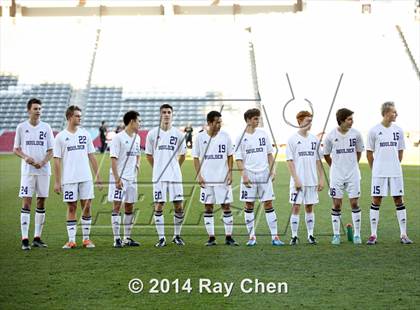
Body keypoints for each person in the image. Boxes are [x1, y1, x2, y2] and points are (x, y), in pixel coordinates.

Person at [53, 105, 102, 249]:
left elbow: (91, 156)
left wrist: (98, 176)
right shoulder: (60, 137)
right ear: (69, 117)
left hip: (85, 177)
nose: (80, 118)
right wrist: (57, 182)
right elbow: (56, 160)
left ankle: (86, 239)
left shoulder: (85, 134)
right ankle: (71, 240)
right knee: (72, 207)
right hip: (69, 179)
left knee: (87, 206)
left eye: (80, 115)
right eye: (77, 116)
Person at [235, 108, 284, 246]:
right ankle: (251, 237)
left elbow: (270, 154)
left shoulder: (263, 134)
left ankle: (275, 237)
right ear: (249, 120)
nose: (258, 121)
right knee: (249, 204)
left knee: (268, 203)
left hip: (264, 174)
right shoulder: (240, 137)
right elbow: (238, 158)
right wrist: (244, 175)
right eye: (256, 118)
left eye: (258, 118)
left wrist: (273, 170)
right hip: (249, 174)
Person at [366, 102, 412, 245]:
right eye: (394, 112)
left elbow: (400, 153)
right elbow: (369, 154)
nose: (396, 114)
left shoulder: (398, 130)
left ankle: (403, 234)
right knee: (376, 200)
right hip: (379, 173)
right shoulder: (374, 131)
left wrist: (393, 166)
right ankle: (373, 235)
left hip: (395, 172)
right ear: (386, 113)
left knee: (399, 200)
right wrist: (376, 169)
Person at [13, 98, 54, 250]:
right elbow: (16, 149)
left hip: (43, 171)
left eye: (40, 109)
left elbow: (51, 150)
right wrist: (26, 158)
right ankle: (24, 239)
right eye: (35, 109)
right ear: (29, 110)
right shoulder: (21, 127)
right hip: (28, 172)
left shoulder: (46, 127)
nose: (38, 111)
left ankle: (37, 238)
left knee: (41, 202)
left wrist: (43, 162)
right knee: (26, 202)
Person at [192, 111, 238, 246]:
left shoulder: (226, 136)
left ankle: (229, 237)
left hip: (222, 178)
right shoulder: (200, 138)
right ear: (209, 123)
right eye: (217, 122)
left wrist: (230, 173)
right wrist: (199, 175)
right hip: (206, 180)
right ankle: (211, 238)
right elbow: (195, 157)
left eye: (220, 122)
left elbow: (230, 155)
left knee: (226, 206)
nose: (219, 125)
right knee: (208, 207)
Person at [145, 104, 187, 247]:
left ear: (172, 114)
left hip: (175, 176)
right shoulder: (152, 134)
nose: (167, 114)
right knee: (159, 205)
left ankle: (176, 235)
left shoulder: (179, 134)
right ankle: (161, 238)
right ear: (160, 114)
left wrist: (175, 167)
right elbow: (149, 155)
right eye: (164, 112)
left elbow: (183, 154)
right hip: (159, 177)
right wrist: (158, 168)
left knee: (179, 206)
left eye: (169, 112)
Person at [323, 108, 364, 245]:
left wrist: (352, 165)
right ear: (341, 120)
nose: (352, 121)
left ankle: (357, 235)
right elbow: (326, 154)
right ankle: (336, 235)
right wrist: (335, 167)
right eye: (349, 119)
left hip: (353, 174)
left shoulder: (356, 134)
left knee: (354, 203)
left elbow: (359, 152)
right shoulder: (330, 136)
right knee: (336, 204)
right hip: (337, 175)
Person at [286, 111, 324, 245]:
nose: (310, 123)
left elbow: (318, 161)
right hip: (298, 181)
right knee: (296, 207)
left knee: (309, 207)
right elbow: (289, 161)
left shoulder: (314, 139)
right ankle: (294, 236)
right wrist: (296, 179)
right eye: (308, 121)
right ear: (300, 122)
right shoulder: (292, 140)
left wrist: (321, 178)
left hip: (311, 180)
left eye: (311, 120)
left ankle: (310, 235)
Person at [108, 111, 141, 248]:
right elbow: (113, 159)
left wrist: (138, 164)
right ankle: (116, 239)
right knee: (117, 206)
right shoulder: (118, 138)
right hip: (119, 178)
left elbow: (138, 153)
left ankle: (127, 238)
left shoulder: (137, 138)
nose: (140, 123)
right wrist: (117, 179)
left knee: (129, 206)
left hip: (132, 178)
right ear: (132, 121)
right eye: (139, 121)